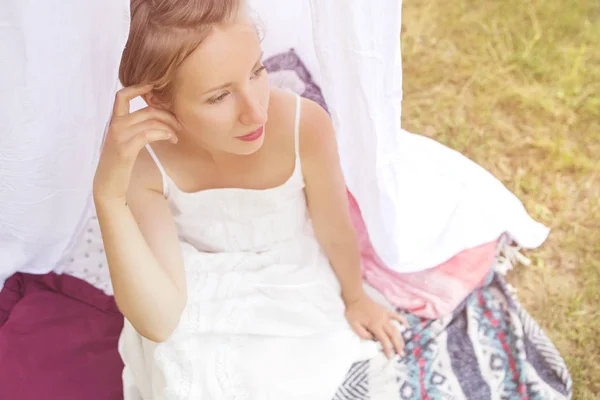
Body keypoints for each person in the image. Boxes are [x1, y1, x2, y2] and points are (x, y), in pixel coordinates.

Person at [93, 0, 407, 398]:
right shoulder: (148, 160)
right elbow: (160, 320)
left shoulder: (303, 126)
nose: (256, 113)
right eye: (219, 97)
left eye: (257, 71)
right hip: (197, 287)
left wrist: (356, 296)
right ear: (156, 101)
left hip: (291, 281)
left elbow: (334, 228)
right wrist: (107, 195)